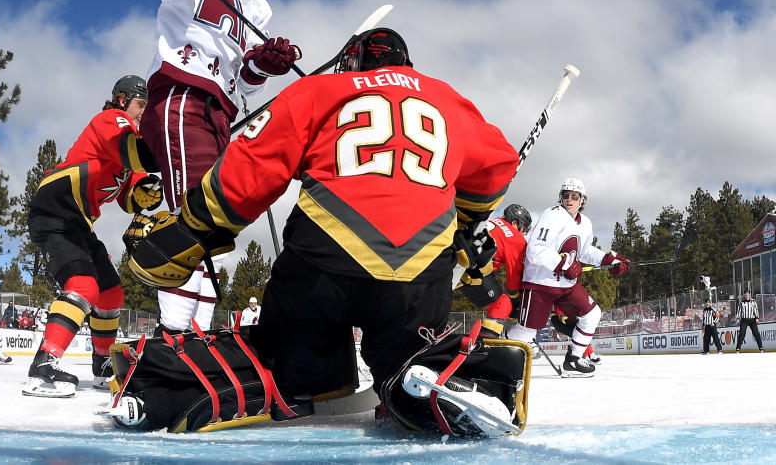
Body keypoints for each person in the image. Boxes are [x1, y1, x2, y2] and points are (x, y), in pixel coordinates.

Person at [126, 28, 530, 435]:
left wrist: (193, 228)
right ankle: (423, 382)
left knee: (290, 353)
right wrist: (464, 221)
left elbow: (250, 169)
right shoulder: (447, 98)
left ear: (351, 61)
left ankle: (302, 383)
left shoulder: (318, 89)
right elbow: (498, 166)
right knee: (410, 353)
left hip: (328, 254)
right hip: (423, 267)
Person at [106, 0, 301, 334]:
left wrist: (266, 62)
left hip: (220, 116)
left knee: (212, 225)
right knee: (190, 217)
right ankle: (172, 337)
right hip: (182, 96)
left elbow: (248, 83)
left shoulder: (258, 10)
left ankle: (200, 336)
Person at [22, 75, 160, 398]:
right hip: (56, 208)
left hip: (78, 220)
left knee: (111, 294)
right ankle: (42, 367)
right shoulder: (112, 119)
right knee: (84, 286)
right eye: (142, 105)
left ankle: (101, 366)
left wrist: (145, 194)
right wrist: (165, 149)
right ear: (123, 99)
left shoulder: (129, 138)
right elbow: (136, 153)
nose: (144, 112)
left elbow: (129, 193)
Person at [506, 178, 631, 377]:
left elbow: (584, 251)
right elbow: (536, 250)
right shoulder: (551, 215)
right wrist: (564, 264)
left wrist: (608, 259)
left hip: (566, 285)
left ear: (582, 200)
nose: (570, 200)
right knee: (527, 332)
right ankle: (498, 351)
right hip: (540, 283)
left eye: (575, 196)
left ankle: (573, 359)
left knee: (592, 314)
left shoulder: (586, 223)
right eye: (566, 195)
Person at [471, 204, 532, 339]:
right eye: (524, 228)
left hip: (456, 262)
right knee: (502, 305)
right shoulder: (515, 238)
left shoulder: (493, 222)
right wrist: (516, 301)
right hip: (472, 269)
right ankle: (484, 345)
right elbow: (513, 277)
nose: (523, 233)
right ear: (515, 223)